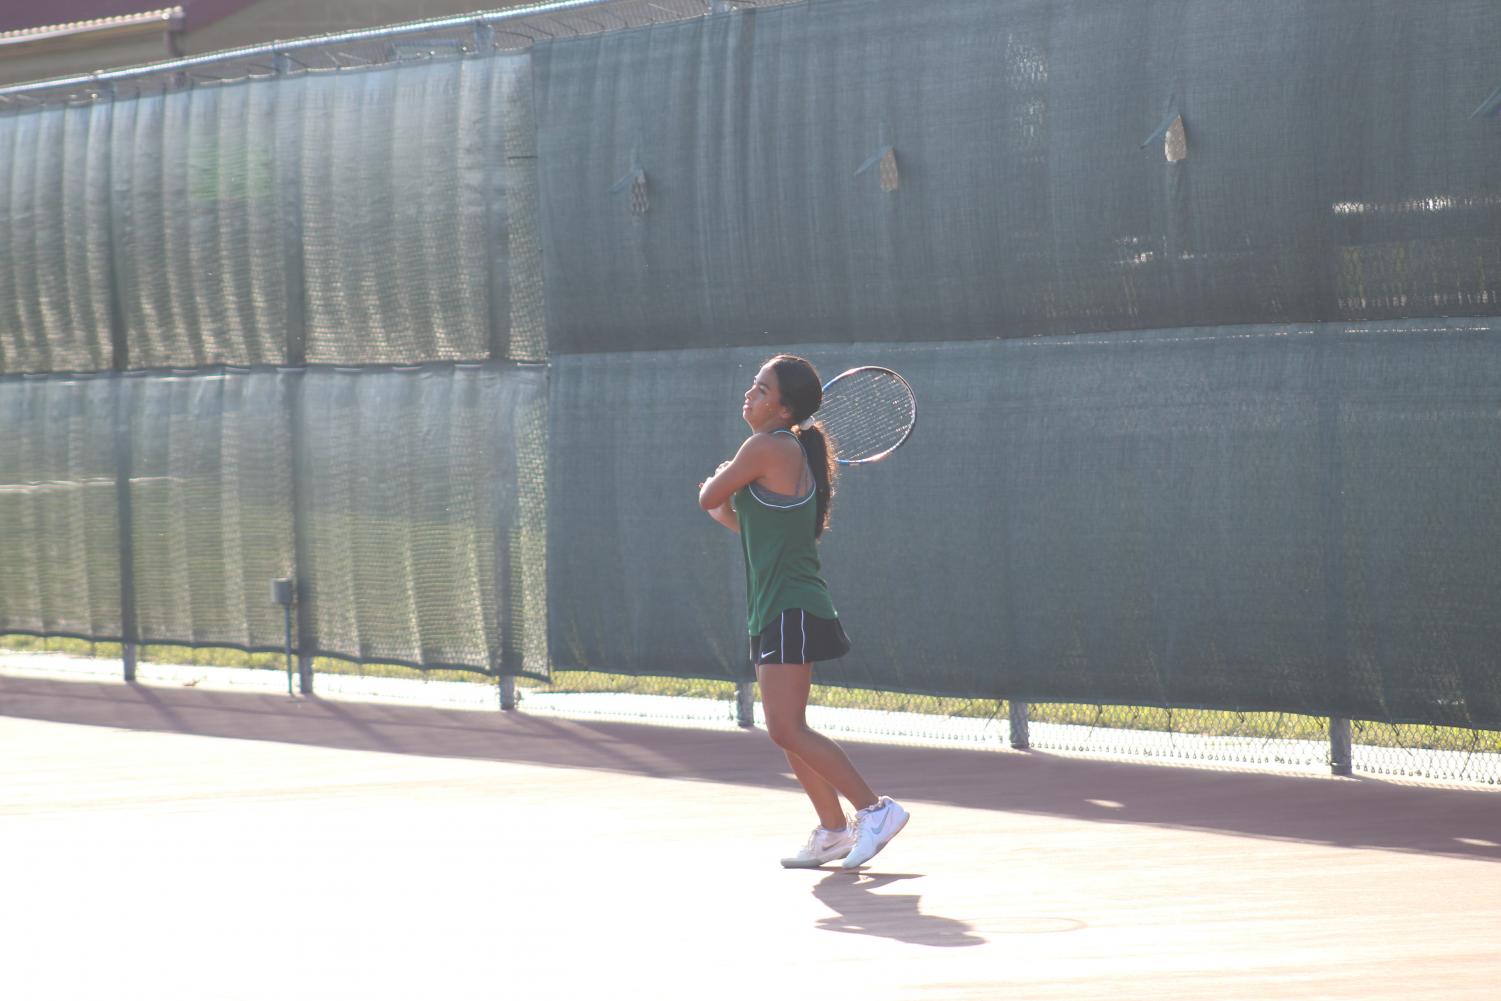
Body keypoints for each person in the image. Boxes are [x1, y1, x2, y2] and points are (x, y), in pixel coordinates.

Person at [697, 354, 909, 869]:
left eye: (761, 389)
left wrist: (725, 474)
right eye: (753, 385)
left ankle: (874, 810)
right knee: (785, 725)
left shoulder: (769, 447)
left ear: (783, 407)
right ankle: (834, 831)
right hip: (775, 606)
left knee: (787, 728)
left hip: (791, 607)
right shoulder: (778, 450)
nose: (750, 394)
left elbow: (708, 496)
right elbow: (737, 518)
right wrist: (728, 480)